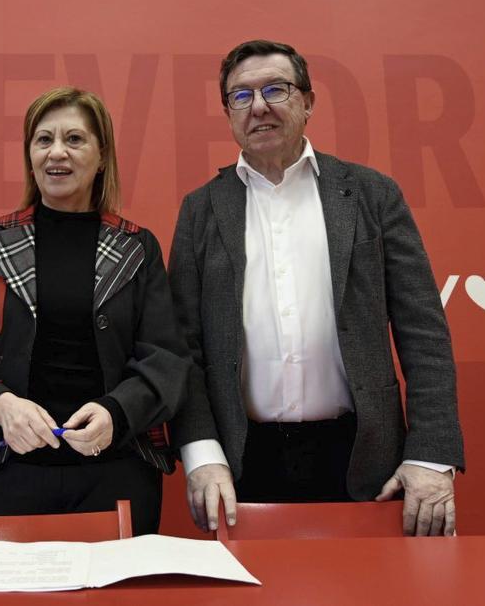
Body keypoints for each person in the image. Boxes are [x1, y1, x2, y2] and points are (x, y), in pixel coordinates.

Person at [170, 40, 465, 537]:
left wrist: (432, 456)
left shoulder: (373, 194)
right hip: (242, 464)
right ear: (227, 114)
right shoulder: (201, 209)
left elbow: (424, 333)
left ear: (308, 102)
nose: (258, 106)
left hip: (364, 456)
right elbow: (183, 346)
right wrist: (201, 453)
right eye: (240, 96)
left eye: (275, 89)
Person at [0, 87, 189, 535]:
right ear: (30, 154)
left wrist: (116, 412)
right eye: (43, 140)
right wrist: (1, 405)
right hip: (0, 470)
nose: (57, 153)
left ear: (101, 156)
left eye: (74, 139)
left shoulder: (137, 247)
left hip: (115, 470)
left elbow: (166, 362)